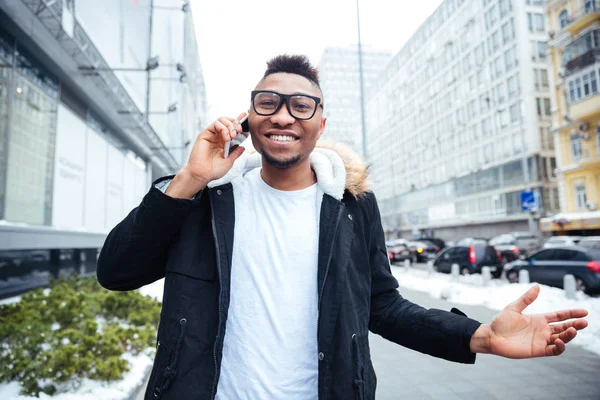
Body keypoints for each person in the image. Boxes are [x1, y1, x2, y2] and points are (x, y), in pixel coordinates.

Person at [97, 55, 588, 400]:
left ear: (321, 124)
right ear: (248, 118)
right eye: (268, 102)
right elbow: (117, 271)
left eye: (301, 105)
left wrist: (477, 336)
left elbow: (382, 303)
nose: (284, 115)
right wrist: (189, 179)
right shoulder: (204, 197)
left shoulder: (352, 205)